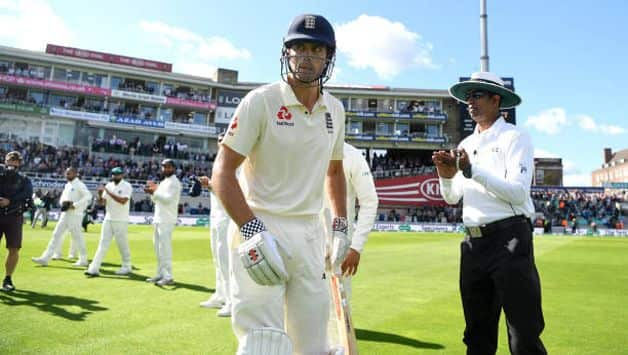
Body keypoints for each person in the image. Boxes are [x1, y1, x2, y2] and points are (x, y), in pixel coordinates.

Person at [212, 13, 348, 355]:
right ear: (285, 53)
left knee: (313, 345)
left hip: (309, 233)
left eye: (316, 49)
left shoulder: (335, 109)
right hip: (261, 226)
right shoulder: (261, 101)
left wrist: (341, 226)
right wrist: (252, 229)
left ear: (328, 57)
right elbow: (222, 172)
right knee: (264, 344)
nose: (306, 57)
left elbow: (334, 171)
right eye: (298, 47)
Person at [432, 71, 546, 355]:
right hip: (473, 245)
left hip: (509, 238)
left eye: (477, 95)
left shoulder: (515, 137)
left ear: (497, 100)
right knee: (476, 337)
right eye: (468, 96)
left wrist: (472, 170)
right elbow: (452, 197)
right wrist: (446, 176)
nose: (470, 102)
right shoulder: (465, 145)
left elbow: (518, 193)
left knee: (523, 335)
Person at [323, 142, 379, 299]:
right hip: (305, 243)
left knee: (339, 312)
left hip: (339, 246)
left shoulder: (352, 155)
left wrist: (356, 247)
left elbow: (369, 201)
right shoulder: (303, 147)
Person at [198, 134, 233, 317]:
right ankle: (220, 295)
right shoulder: (218, 162)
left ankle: (231, 301)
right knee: (217, 259)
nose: (221, 142)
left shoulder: (235, 162)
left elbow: (231, 188)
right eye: (219, 139)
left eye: (224, 139)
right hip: (216, 215)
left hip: (228, 217)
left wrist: (211, 185)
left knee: (226, 260)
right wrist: (210, 184)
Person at [32, 167, 92, 267]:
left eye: (69, 174)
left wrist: (75, 205)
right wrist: (62, 203)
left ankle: (83, 259)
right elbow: (63, 198)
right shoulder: (68, 185)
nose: (66, 175)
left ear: (75, 174)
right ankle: (45, 258)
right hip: (65, 214)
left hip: (75, 215)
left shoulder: (79, 184)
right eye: (66, 173)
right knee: (56, 235)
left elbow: (88, 196)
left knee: (77, 237)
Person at [85, 167, 133, 277]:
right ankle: (94, 268)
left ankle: (127, 266)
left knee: (122, 244)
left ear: (122, 175)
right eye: (113, 174)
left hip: (121, 220)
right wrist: (99, 195)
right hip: (108, 218)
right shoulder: (109, 186)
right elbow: (103, 203)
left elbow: (123, 201)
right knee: (102, 244)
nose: (115, 176)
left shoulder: (127, 186)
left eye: (117, 174)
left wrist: (108, 192)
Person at [144, 159, 181, 286]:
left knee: (164, 248)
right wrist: (152, 193)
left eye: (168, 167)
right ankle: (160, 273)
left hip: (167, 219)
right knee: (158, 249)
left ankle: (168, 276)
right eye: (164, 167)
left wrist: (153, 191)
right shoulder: (164, 182)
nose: (165, 169)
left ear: (174, 168)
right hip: (159, 218)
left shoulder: (174, 182)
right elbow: (156, 200)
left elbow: (167, 200)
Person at [0, 151, 33, 291]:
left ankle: (8, 278)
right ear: (5, 160)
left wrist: (10, 201)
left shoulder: (25, 180)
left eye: (15, 160)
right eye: (10, 160)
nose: (12, 163)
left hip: (14, 216)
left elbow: (27, 195)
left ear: (19, 163)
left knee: (14, 248)